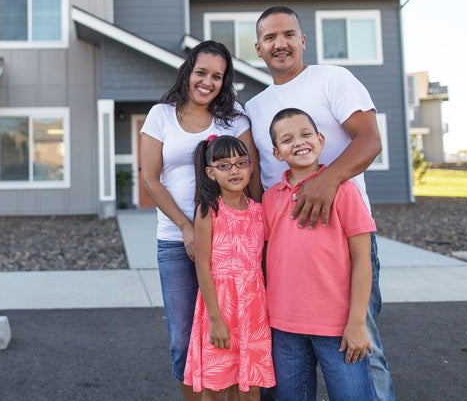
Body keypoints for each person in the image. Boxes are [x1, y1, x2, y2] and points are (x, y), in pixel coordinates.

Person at [244, 6, 395, 400]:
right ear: (258, 48)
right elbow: (259, 179)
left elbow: (369, 139)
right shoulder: (255, 108)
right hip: (287, 252)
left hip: (340, 239)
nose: (281, 43)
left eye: (289, 34)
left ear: (302, 40)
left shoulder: (333, 79)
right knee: (291, 359)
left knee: (362, 346)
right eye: (271, 38)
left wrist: (325, 181)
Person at [140, 40, 262, 400]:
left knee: (233, 333)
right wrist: (185, 226)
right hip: (177, 242)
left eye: (217, 76)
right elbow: (150, 177)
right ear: (188, 72)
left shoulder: (234, 118)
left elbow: (250, 176)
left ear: (225, 82)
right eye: (201, 73)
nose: (207, 82)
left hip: (231, 245)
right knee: (182, 339)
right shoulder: (161, 115)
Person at [263, 108, 377, 400]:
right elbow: (266, 257)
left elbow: (363, 260)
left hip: (337, 327)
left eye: (305, 134)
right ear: (277, 153)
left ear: (321, 139)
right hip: (284, 326)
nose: (299, 142)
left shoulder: (344, 191)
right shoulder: (270, 198)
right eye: (287, 139)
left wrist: (356, 323)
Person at [183, 134, 275, 400]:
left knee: (250, 384)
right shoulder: (207, 211)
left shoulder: (260, 211)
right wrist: (215, 319)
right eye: (224, 165)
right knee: (216, 383)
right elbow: (202, 264)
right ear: (210, 173)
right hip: (220, 307)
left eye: (240, 163)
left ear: (251, 167)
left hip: (254, 309)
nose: (234, 170)